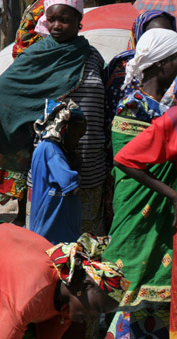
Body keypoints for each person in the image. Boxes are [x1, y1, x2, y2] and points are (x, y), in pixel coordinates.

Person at [0, 0, 108, 234]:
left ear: (80, 21)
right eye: (52, 19)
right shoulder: (36, 55)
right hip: (47, 165)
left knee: (88, 244)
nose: (57, 25)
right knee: (44, 244)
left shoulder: (92, 57)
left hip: (91, 165)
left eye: (65, 20)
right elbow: (3, 91)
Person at [0, 219, 128, 339]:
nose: (95, 318)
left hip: (4, 257)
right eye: (98, 310)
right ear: (85, 285)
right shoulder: (28, 294)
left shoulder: (71, 293)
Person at [102, 29, 177, 338]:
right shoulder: (133, 107)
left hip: (160, 212)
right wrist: (172, 194)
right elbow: (128, 160)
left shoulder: (166, 105)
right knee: (132, 285)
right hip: (139, 206)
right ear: (160, 64)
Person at [0, 0, 53, 223]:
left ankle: (27, 211)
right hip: (26, 76)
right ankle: (21, 209)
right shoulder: (36, 4)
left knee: (23, 143)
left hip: (36, 82)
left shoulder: (46, 7)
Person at [104, 10, 176, 126]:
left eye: (167, 34)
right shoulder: (131, 102)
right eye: (155, 35)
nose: (161, 38)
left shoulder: (169, 85)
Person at [29, 99, 86, 244]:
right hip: (54, 234)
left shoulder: (45, 147)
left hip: (50, 230)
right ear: (64, 128)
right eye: (77, 135)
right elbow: (70, 182)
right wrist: (77, 166)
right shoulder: (52, 150)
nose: (78, 142)